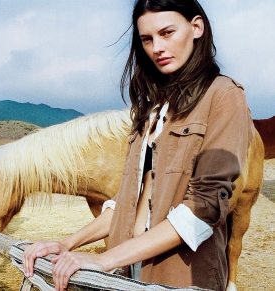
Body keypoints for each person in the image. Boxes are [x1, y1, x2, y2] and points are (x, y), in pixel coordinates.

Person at [23, 0, 254, 290]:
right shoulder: (153, 107)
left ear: (196, 27)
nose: (157, 47)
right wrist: (67, 243)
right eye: (147, 39)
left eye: (167, 32)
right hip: (130, 272)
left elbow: (204, 207)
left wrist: (104, 260)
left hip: (178, 276)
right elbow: (129, 203)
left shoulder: (224, 96)